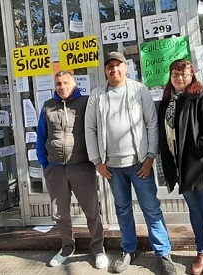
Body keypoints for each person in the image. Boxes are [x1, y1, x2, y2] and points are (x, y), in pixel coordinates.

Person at [85, 52, 176, 275]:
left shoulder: (138, 90)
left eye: (118, 65)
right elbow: (90, 129)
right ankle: (128, 250)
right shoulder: (97, 96)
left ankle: (163, 253)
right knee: (122, 209)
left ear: (125, 68)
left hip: (139, 164)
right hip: (112, 168)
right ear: (105, 70)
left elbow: (152, 124)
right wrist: (97, 162)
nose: (113, 70)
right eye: (109, 67)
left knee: (151, 209)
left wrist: (150, 157)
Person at [157, 59, 203, 275]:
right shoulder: (167, 102)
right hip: (182, 166)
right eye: (175, 75)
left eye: (183, 75)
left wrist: (198, 150)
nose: (179, 78)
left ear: (191, 76)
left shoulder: (201, 97)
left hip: (202, 166)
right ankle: (201, 251)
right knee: (195, 209)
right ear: (170, 77)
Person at [37, 70, 108, 269]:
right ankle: (67, 247)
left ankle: (98, 248)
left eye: (66, 83)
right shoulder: (48, 106)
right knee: (60, 214)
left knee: (91, 210)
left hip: (82, 166)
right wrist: (46, 165)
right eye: (58, 84)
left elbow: (97, 130)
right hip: (56, 169)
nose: (62, 87)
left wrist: (96, 160)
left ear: (74, 83)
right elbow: (40, 137)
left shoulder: (86, 103)